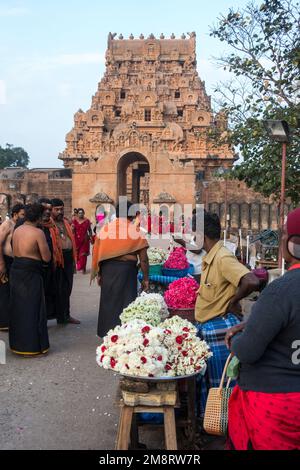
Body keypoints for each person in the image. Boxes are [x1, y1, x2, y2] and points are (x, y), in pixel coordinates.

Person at [226, 207, 300, 450]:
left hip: (278, 405)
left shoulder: (281, 290)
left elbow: (248, 351)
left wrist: (234, 339)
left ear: (290, 244)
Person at [195, 212, 259, 415]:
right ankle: (213, 423)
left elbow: (251, 281)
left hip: (219, 328)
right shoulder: (211, 256)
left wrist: (233, 300)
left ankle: (225, 428)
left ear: (201, 235)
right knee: (213, 387)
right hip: (210, 326)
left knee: (221, 389)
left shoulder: (222, 257)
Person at [92, 201, 149, 337]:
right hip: (126, 271)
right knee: (126, 301)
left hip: (107, 270)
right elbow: (144, 259)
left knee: (108, 301)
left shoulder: (105, 229)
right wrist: (146, 279)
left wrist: (99, 274)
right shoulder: (135, 231)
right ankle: (125, 334)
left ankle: (106, 333)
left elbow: (98, 253)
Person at [9, 203, 51, 356]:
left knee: (18, 308)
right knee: (33, 308)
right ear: (39, 217)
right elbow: (46, 257)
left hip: (16, 268)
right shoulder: (37, 232)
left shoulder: (17, 229)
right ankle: (31, 346)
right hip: (31, 271)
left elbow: (14, 250)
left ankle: (17, 345)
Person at [51, 199, 80, 325]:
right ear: (51, 210)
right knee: (58, 289)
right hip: (57, 260)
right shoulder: (49, 224)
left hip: (68, 258)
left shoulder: (66, 223)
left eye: (61, 209)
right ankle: (60, 316)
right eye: (56, 209)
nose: (60, 212)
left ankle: (66, 315)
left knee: (67, 288)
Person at [0, 203, 25, 330]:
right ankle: (3, 322)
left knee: (13, 292)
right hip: (6, 261)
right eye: (22, 214)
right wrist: (2, 264)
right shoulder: (7, 224)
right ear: (15, 214)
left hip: (15, 262)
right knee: (5, 292)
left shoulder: (20, 225)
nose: (24, 216)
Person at [38, 197, 57, 320]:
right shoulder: (33, 226)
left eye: (49, 209)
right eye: (44, 209)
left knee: (48, 293)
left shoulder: (51, 226)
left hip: (49, 266)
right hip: (36, 268)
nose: (47, 212)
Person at [73, 208, 92, 274]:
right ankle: (78, 267)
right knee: (77, 255)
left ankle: (83, 268)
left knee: (83, 256)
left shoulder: (87, 221)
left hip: (85, 240)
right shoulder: (74, 221)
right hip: (76, 240)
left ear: (84, 213)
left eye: (82, 213)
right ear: (77, 214)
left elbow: (89, 230)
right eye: (79, 213)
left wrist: (91, 237)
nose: (81, 214)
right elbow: (72, 231)